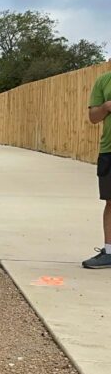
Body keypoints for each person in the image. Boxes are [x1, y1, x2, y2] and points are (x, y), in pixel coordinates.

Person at [83, 72, 111, 269]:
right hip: (109, 149)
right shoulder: (103, 80)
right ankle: (109, 252)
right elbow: (93, 117)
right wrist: (106, 107)